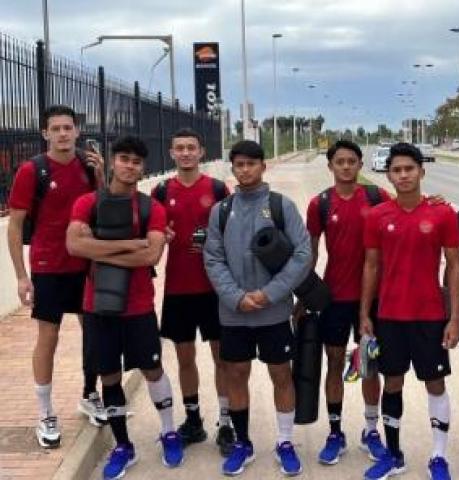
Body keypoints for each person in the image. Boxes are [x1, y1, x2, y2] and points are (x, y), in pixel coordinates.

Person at [66, 136, 184, 479]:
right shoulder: (87, 202)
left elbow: (151, 255)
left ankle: (168, 431)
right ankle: (123, 446)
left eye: (136, 161)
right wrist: (130, 243)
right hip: (97, 306)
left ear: (142, 167)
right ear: (113, 161)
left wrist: (98, 246)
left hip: (138, 306)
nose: (130, 165)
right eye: (124, 158)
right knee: (109, 375)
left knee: (152, 370)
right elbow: (74, 245)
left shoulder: (151, 208)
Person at [204, 140, 311, 477]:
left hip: (274, 312)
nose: (245, 169)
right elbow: (213, 258)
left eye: (252, 163)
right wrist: (236, 297)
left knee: (281, 374)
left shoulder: (282, 206)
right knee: (235, 373)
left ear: (264, 166)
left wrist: (270, 294)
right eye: (239, 164)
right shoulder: (221, 211)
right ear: (232, 168)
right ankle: (243, 442)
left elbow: (302, 255)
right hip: (234, 312)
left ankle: (284, 441)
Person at [360, 142, 459, 480]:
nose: (403, 175)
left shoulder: (442, 213)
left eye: (409, 169)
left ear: (422, 171)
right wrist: (365, 314)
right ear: (388, 174)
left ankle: (438, 456)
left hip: (430, 316)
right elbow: (371, 267)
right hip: (389, 316)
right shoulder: (377, 216)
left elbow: (453, 267)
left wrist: (455, 317)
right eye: (397, 170)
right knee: (392, 383)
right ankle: (393, 455)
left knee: (435, 383)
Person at [7, 105, 106, 448]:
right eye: (56, 128)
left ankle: (89, 395)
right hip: (48, 267)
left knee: (93, 333)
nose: (63, 133)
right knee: (48, 338)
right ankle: (45, 412)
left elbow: (103, 210)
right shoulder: (31, 170)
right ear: (45, 134)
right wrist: (22, 276)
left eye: (69, 127)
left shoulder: (89, 166)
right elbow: (16, 225)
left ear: (77, 130)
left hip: (85, 264)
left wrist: (103, 177)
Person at [304, 139, 390, 465]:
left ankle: (371, 431)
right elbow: (310, 253)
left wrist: (435, 204)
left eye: (352, 161)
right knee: (336, 363)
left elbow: (408, 216)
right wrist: (304, 296)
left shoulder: (376, 197)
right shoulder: (320, 204)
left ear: (359, 165)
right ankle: (335, 432)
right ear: (330, 166)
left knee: (369, 365)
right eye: (339, 161)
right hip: (334, 298)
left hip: (372, 299)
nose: (345, 166)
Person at [152, 128, 233, 455]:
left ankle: (226, 423)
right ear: (171, 153)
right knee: (185, 358)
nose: (186, 153)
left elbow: (233, 233)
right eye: (179, 148)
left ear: (201, 152)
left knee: (222, 358)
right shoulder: (160, 191)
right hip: (178, 289)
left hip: (214, 290)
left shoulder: (216, 189)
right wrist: (162, 236)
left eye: (191, 148)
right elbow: (149, 233)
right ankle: (194, 419)